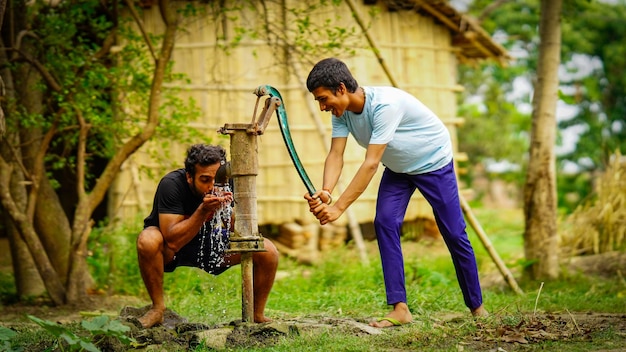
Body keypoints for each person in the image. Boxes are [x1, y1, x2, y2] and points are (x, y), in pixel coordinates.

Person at [303, 58, 488, 328]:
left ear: (341, 88)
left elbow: (371, 163)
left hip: (433, 161)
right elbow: (336, 154)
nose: (322, 107)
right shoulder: (340, 115)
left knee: (453, 232)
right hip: (400, 168)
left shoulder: (385, 105)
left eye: (323, 99)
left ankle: (477, 307)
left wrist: (339, 208)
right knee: (385, 222)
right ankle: (400, 308)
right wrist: (327, 192)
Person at [136, 143, 279, 328]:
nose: (212, 186)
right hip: (172, 251)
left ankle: (257, 314)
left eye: (216, 179)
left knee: (268, 250)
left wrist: (230, 211)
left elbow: (242, 230)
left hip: (213, 244)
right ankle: (157, 309)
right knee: (148, 239)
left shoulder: (230, 182)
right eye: (204, 180)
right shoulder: (171, 185)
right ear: (189, 177)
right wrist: (203, 211)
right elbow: (171, 240)